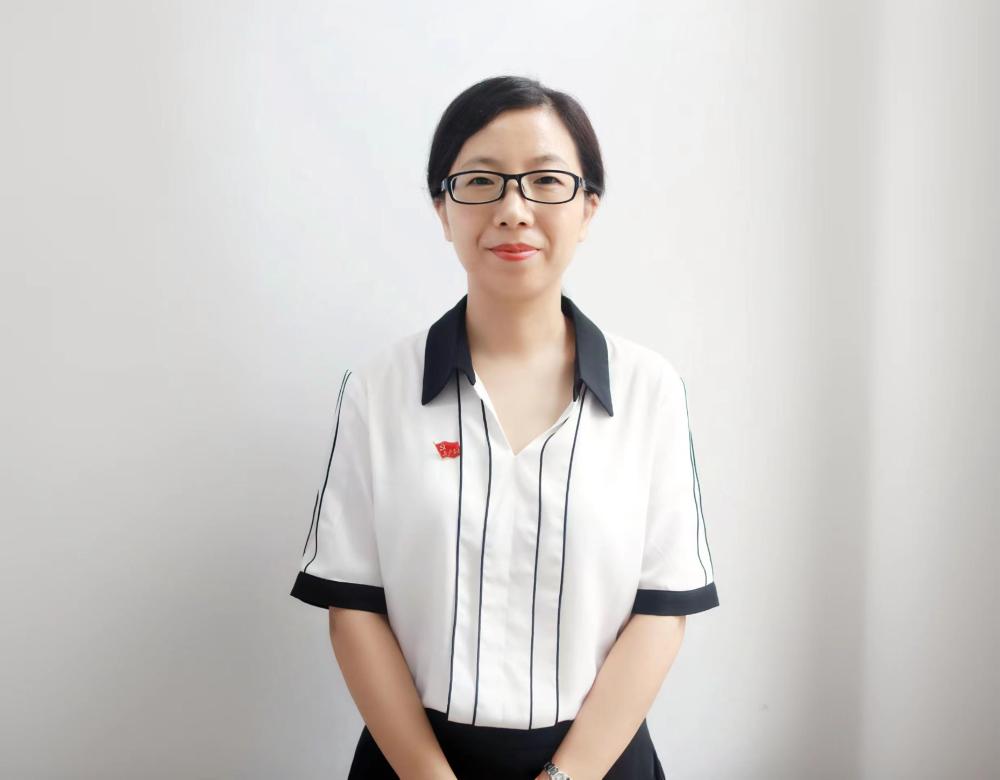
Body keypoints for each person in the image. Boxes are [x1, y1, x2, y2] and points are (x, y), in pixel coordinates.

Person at [290, 75, 720, 780]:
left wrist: (566, 778)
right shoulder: (378, 389)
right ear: (443, 208)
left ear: (588, 208)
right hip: (412, 762)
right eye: (481, 182)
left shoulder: (650, 391)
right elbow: (353, 605)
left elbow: (662, 608)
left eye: (546, 181)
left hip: (598, 763)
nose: (513, 210)